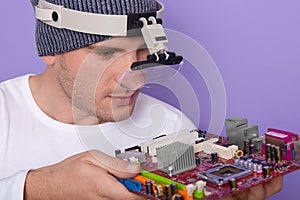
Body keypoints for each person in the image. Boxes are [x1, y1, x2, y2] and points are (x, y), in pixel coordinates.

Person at [0, 0, 283, 199]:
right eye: (106, 53)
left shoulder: (173, 129)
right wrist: (36, 189)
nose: (135, 78)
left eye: (144, 52)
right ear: (51, 51)